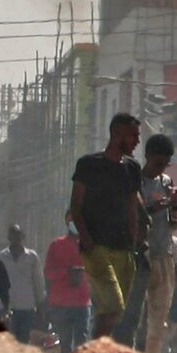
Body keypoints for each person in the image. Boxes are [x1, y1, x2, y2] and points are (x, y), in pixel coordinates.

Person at [70, 113, 144, 340]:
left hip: (124, 249)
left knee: (110, 313)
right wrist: (87, 239)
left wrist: (134, 244)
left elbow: (132, 209)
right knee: (113, 306)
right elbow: (75, 206)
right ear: (117, 134)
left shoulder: (132, 168)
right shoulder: (89, 164)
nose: (137, 141)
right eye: (133, 136)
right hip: (97, 248)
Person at [138, 135, 177, 353]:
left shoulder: (167, 182)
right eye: (157, 162)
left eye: (165, 164)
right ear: (147, 156)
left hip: (163, 258)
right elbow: (138, 213)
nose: (160, 168)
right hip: (139, 259)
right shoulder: (135, 182)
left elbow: (173, 219)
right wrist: (163, 204)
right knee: (134, 323)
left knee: (157, 327)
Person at [44, 219, 92, 353]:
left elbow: (96, 272)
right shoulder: (56, 244)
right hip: (61, 304)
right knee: (63, 345)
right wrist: (67, 273)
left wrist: (82, 273)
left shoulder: (89, 247)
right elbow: (48, 272)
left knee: (81, 345)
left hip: (82, 302)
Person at [0, 224, 47, 344]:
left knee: (24, 342)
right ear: (8, 237)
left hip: (27, 308)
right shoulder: (1, 257)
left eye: (17, 234)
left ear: (22, 236)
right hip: (7, 308)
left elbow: (38, 282)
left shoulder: (32, 257)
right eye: (12, 234)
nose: (15, 237)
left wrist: (41, 305)